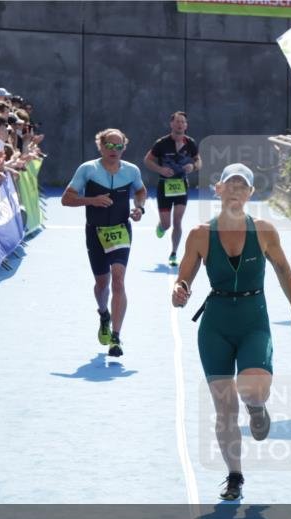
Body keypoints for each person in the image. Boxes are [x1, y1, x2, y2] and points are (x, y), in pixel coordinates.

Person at [171, 163, 291, 500]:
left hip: (252, 320)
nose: (235, 190)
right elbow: (184, 276)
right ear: (217, 190)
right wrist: (180, 289)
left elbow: (284, 270)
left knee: (252, 389)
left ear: (250, 194)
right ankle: (235, 476)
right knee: (224, 408)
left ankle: (257, 408)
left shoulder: (264, 231)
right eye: (229, 185)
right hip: (215, 325)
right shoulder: (200, 234)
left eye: (241, 186)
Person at [61, 128, 146, 357]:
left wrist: (139, 208)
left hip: (120, 231)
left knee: (118, 281)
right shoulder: (88, 169)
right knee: (102, 285)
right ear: (101, 146)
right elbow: (66, 199)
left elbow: (140, 191)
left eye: (119, 146)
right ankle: (103, 313)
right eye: (110, 145)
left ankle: (116, 338)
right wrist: (92, 200)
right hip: (95, 233)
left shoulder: (131, 170)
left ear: (124, 148)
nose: (114, 150)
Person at [144, 111, 201, 267]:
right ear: (171, 124)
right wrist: (160, 170)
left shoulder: (190, 143)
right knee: (167, 224)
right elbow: (147, 160)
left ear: (186, 125)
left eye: (182, 122)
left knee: (177, 221)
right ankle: (161, 225)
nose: (180, 124)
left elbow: (198, 161)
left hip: (181, 185)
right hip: (164, 186)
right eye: (177, 121)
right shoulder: (161, 143)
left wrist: (193, 166)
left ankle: (174, 253)